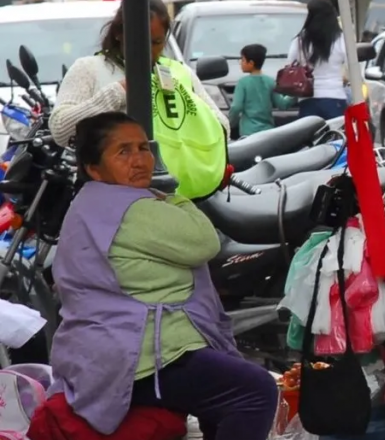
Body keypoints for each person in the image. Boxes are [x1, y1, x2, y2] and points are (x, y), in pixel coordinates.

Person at [47, 112, 279, 440]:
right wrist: (174, 198)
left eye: (143, 147)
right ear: (93, 168)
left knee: (226, 395)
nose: (140, 159)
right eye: (123, 151)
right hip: (135, 360)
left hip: (104, 356)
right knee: (255, 391)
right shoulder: (132, 208)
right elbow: (204, 242)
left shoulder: (90, 204)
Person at [50, 0, 230, 200]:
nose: (149, 51)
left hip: (179, 198)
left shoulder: (178, 72)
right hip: (111, 200)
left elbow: (221, 125)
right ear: (119, 33)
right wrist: (117, 93)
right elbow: (60, 129)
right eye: (140, 41)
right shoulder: (89, 69)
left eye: (157, 42)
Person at [288, 0, 349, 120]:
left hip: (307, 98)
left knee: (309, 136)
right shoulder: (341, 39)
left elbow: (290, 64)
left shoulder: (301, 40)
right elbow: (351, 67)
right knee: (335, 136)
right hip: (335, 96)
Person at [229, 44, 294, 137]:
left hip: (248, 132)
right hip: (267, 132)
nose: (240, 62)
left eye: (242, 60)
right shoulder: (270, 81)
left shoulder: (242, 83)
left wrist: (230, 124)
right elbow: (282, 104)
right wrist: (295, 94)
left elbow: (236, 107)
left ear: (251, 63)